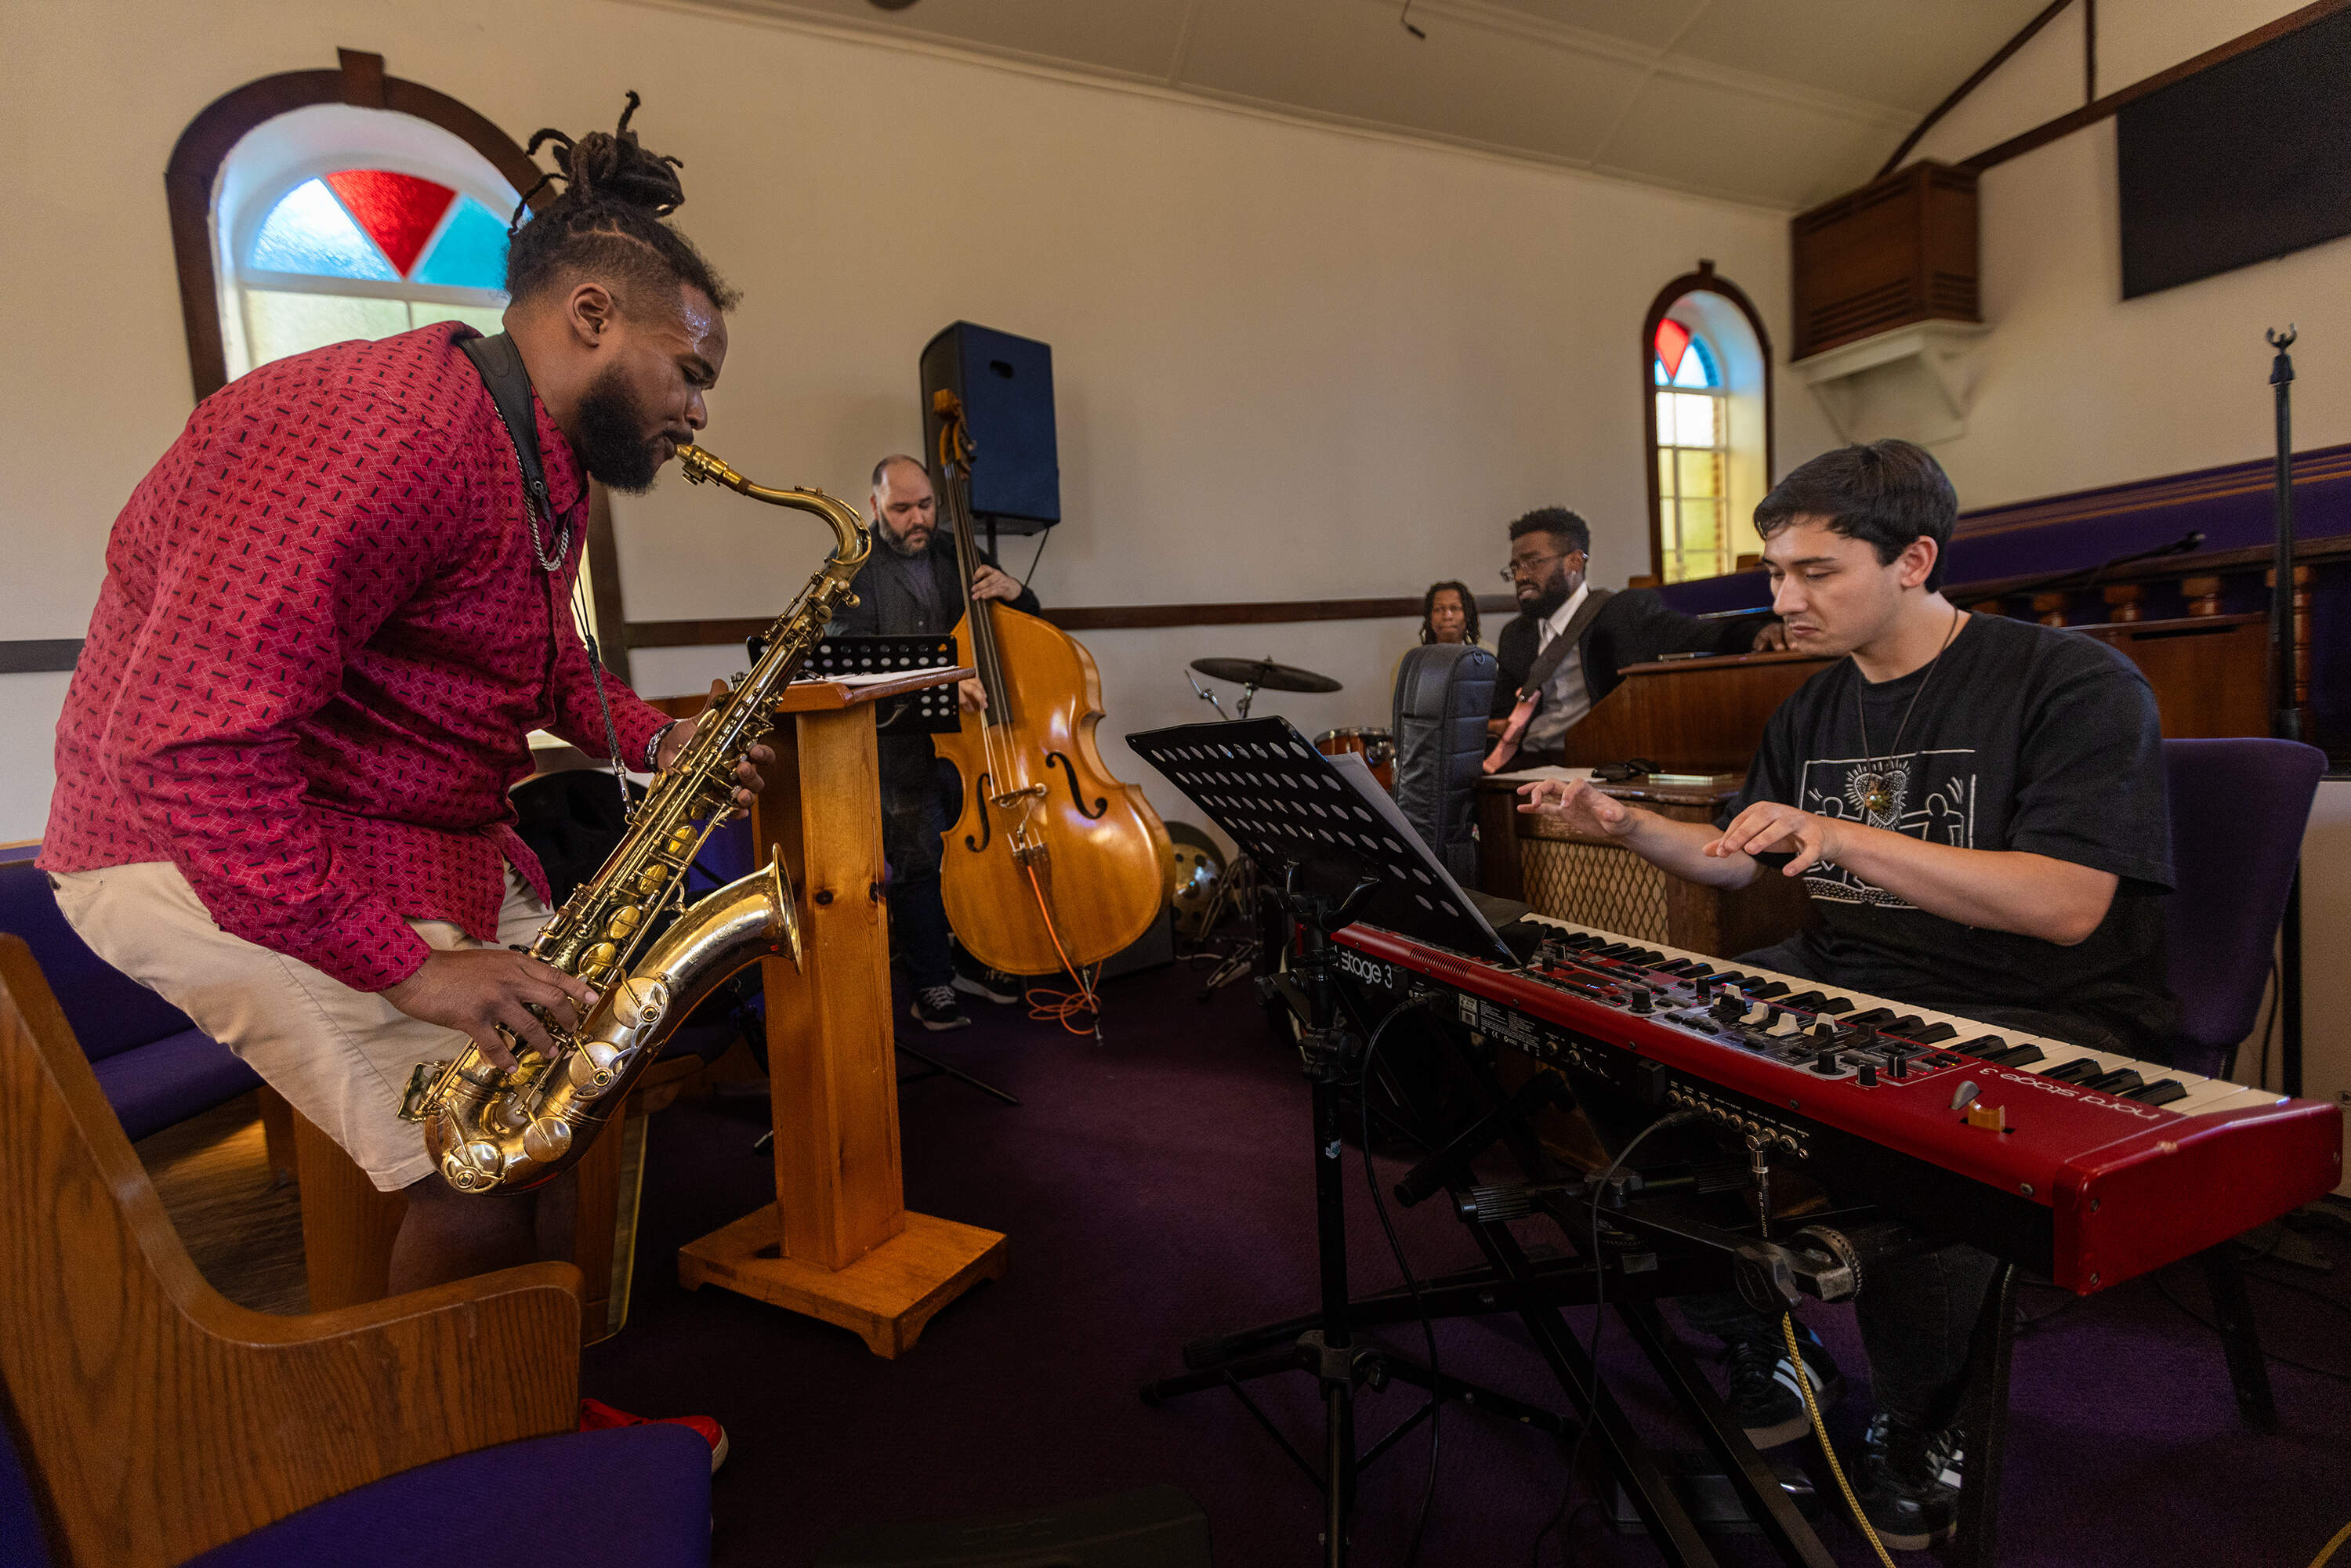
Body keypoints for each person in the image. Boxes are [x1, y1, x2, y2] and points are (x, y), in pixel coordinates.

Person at [39, 101, 751, 1461]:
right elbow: (194, 749)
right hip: (203, 848)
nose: (699, 408)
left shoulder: (535, 466)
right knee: (473, 1149)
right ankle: (442, 1464)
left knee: (543, 1119)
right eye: (689, 365)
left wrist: (662, 741)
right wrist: (413, 971)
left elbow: (545, 665)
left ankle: (521, 1408)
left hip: (387, 833)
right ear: (593, 315)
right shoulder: (377, 429)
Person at [1516, 440, 2179, 1548]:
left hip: (2046, 1009)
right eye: (1776, 571)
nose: (1785, 599)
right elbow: (1743, 858)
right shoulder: (1815, 706)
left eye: (1817, 571)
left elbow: (2066, 903)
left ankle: (1924, 1432)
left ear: (1914, 558)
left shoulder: (2071, 680)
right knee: (1617, 1037)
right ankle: (1765, 1340)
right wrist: (1627, 825)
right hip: (1857, 979)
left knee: (1924, 1136)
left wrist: (1845, 839)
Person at [828, 454, 1038, 1030]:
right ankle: (930, 981)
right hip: (901, 745)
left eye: (925, 504)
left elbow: (1024, 625)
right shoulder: (855, 569)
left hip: (974, 743)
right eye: (902, 508)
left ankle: (982, 955)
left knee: (978, 856)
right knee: (918, 859)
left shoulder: (956, 552)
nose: (917, 518)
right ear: (875, 507)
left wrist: (1018, 591)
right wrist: (943, 684)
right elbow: (853, 672)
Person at [1484, 507, 1779, 770]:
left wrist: (1757, 634)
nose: (1521, 576)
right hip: (1528, 765)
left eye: (1532, 562)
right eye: (1515, 567)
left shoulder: (1621, 613)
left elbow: (1696, 635)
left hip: (1596, 765)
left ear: (1574, 562)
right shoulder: (1516, 634)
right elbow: (1500, 711)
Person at [1419, 580, 1480, 646]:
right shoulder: (1416, 655)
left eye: (1455, 608)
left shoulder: (1485, 652)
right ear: (1429, 616)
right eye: (1439, 609)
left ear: (1468, 614)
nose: (1447, 616)